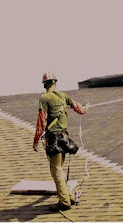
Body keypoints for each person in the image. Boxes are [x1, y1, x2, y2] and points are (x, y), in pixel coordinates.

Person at [33, 72, 88, 211]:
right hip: (64, 138)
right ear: (55, 83)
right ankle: (69, 196)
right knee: (60, 169)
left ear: (45, 85)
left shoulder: (44, 98)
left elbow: (42, 120)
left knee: (56, 170)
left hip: (53, 139)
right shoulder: (63, 96)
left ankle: (64, 202)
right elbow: (80, 109)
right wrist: (86, 107)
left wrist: (35, 140)